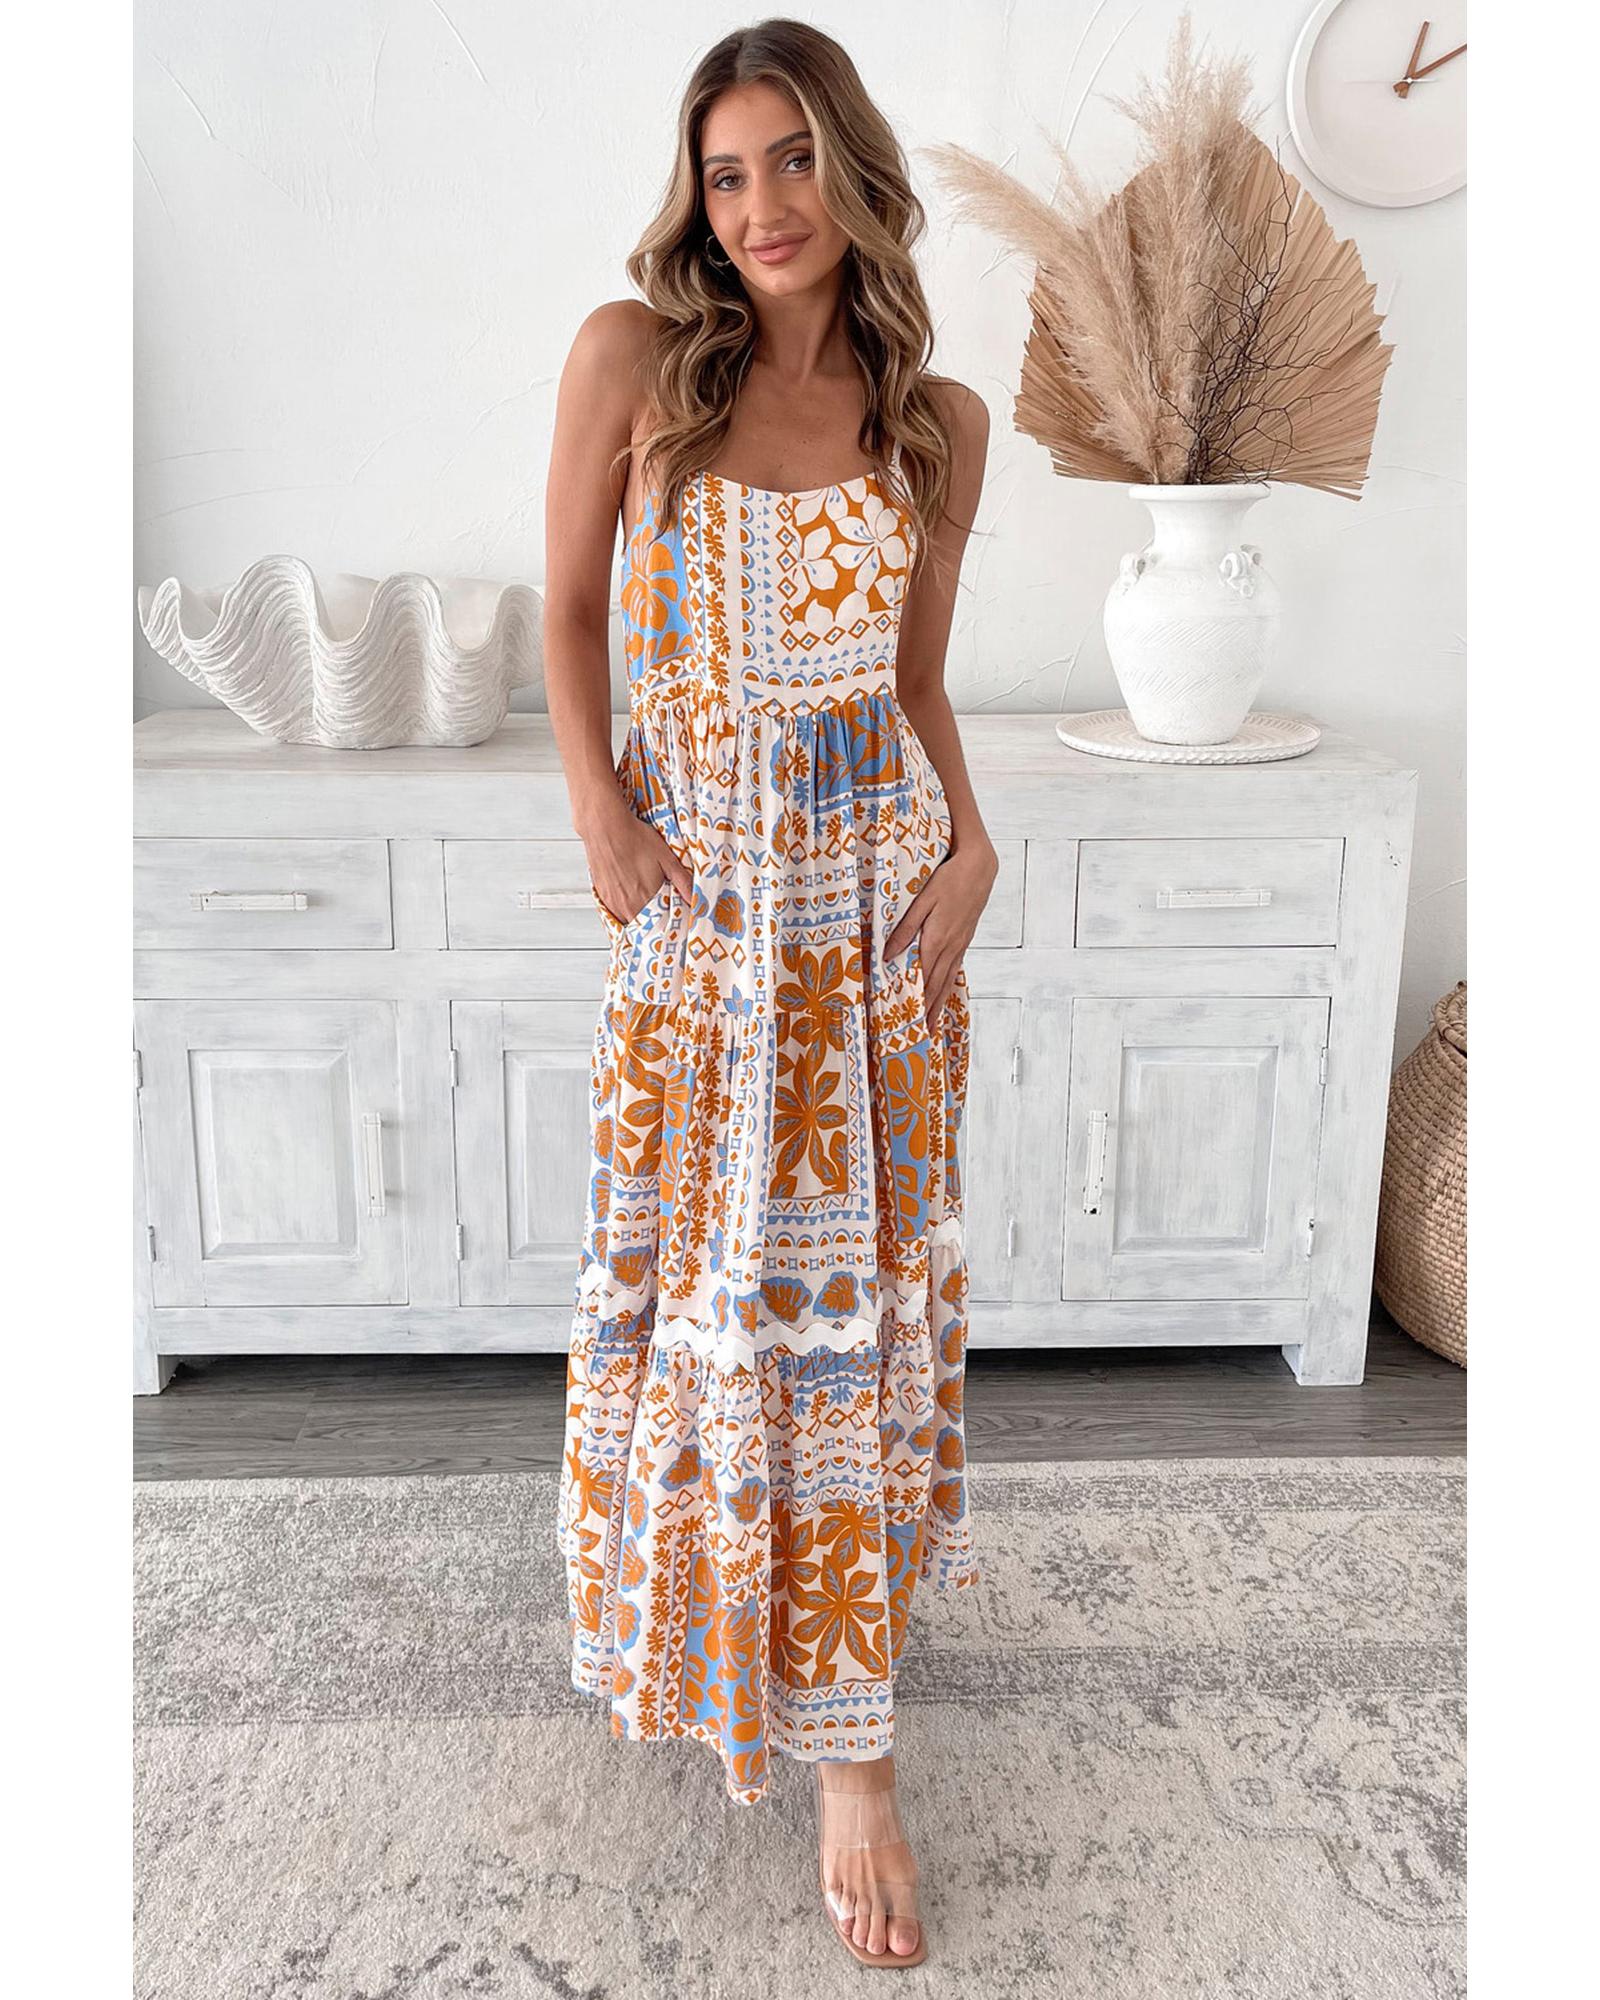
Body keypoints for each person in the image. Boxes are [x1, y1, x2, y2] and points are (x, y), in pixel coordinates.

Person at [544, 17, 995, 1970]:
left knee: (841, 1330)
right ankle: (719, 1632)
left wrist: (972, 847)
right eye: (725, 174)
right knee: (700, 1297)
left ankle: (856, 1759)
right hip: (702, 917)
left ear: (853, 170)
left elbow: (914, 685)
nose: (760, 208)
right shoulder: (631, 362)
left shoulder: (935, 418)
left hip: (872, 929)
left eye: (792, 160)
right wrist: (597, 806)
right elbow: (571, 612)